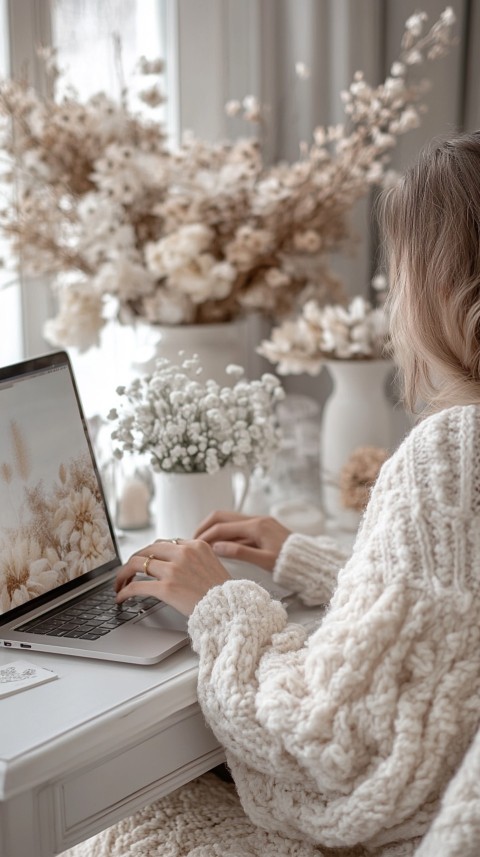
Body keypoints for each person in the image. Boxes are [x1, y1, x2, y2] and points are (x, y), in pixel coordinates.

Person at [64, 131, 480, 857]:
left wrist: (220, 603)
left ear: (445, 285)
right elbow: (450, 627)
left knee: (133, 818)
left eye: (399, 275)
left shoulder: (449, 452)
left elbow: (333, 744)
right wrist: (308, 562)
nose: (391, 303)